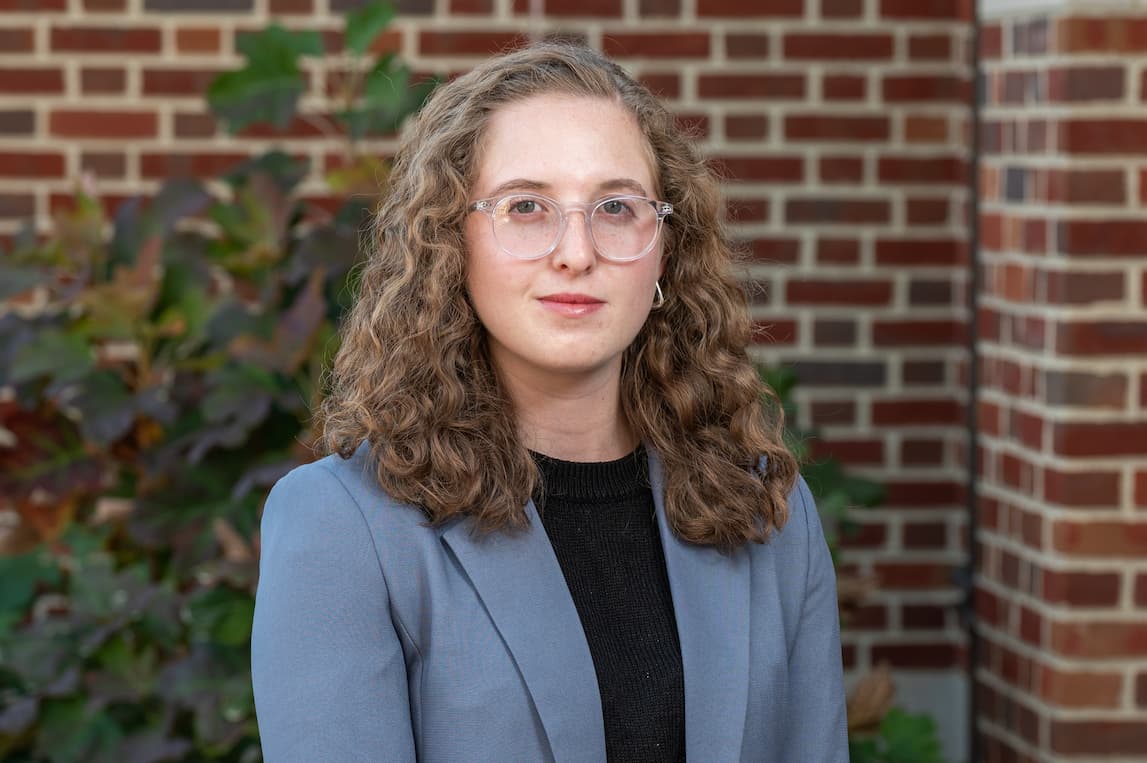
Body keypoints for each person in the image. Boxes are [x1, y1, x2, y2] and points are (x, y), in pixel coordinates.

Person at [251, 41, 848, 762]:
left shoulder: (765, 513)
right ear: (451, 244)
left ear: (665, 250)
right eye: (526, 206)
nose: (575, 250)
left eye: (616, 207)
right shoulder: (343, 527)